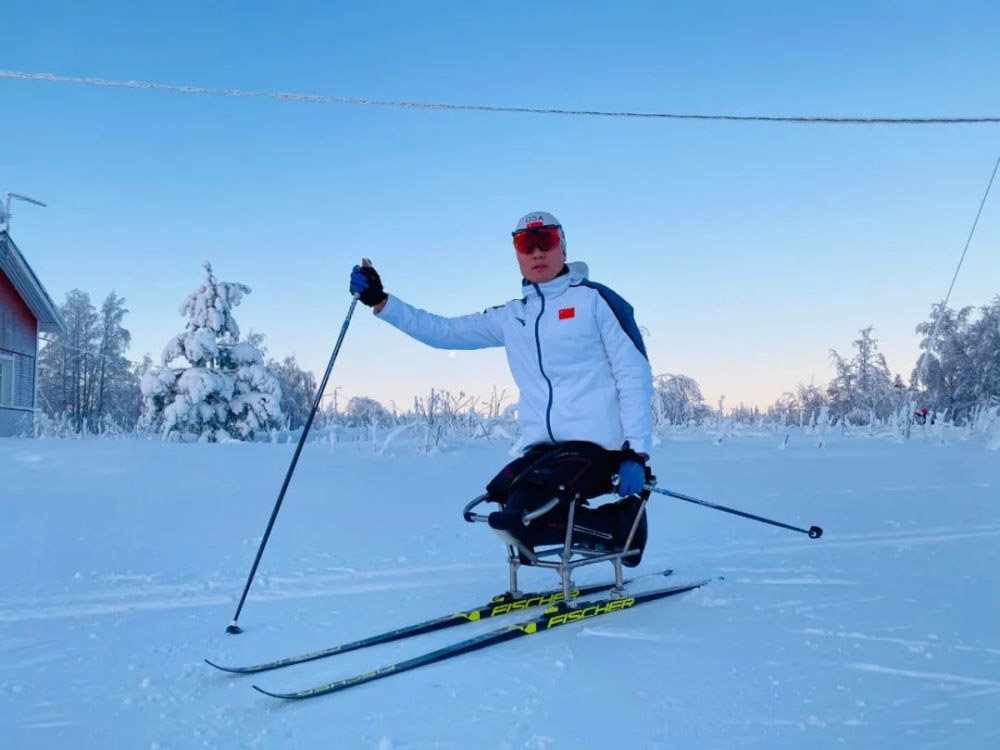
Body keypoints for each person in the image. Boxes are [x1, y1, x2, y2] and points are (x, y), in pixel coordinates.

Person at [349, 211, 654, 566]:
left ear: (563, 247)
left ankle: (622, 528)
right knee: (502, 497)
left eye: (547, 241)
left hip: (600, 449)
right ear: (517, 253)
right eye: (527, 244)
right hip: (545, 451)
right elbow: (444, 331)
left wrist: (636, 453)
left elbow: (634, 375)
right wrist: (382, 302)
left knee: (524, 507)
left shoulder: (595, 301)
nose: (537, 252)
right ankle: (613, 526)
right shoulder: (513, 316)